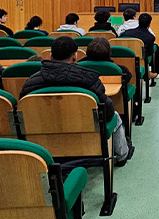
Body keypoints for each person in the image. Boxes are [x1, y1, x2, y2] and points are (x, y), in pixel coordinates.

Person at [19, 37, 132, 165]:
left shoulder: (30, 82)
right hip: (85, 134)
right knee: (114, 116)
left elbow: (22, 110)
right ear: (75, 56)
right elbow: (108, 109)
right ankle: (122, 156)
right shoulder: (90, 79)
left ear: (50, 55)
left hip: (42, 140)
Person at [121, 13, 159, 77]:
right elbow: (149, 53)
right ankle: (153, 72)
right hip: (140, 60)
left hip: (125, 58)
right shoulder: (150, 37)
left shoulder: (126, 32)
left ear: (138, 21)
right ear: (149, 24)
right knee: (155, 48)